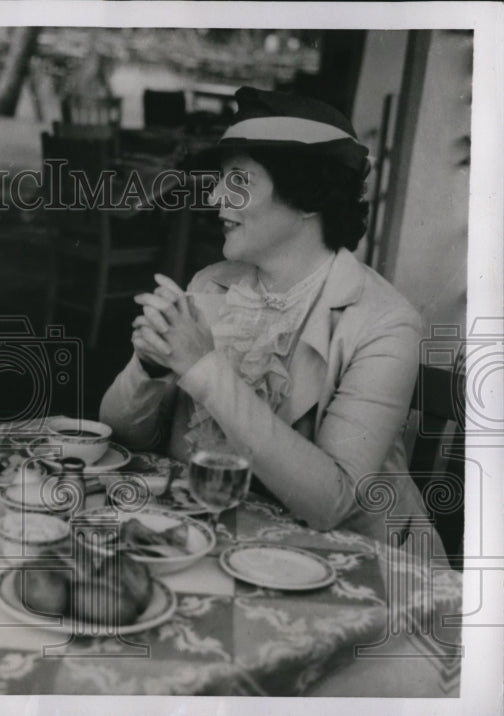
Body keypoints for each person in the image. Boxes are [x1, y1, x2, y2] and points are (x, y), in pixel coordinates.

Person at [100, 86, 440, 551]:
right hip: (236, 544)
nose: (217, 195)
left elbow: (331, 503)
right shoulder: (211, 284)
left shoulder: (386, 323)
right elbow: (123, 436)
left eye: (239, 180)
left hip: (363, 569)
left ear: (307, 195)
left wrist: (203, 368)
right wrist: (150, 366)